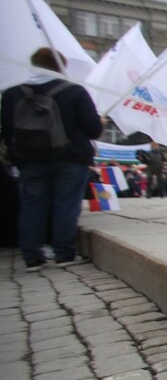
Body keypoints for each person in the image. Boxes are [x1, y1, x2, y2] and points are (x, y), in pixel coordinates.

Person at [1, 47, 103, 271]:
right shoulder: (74, 91)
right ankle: (64, 253)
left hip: (29, 160)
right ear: (61, 66)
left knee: (31, 206)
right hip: (70, 158)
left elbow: (7, 132)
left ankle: (32, 256)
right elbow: (93, 129)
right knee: (66, 205)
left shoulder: (11, 94)